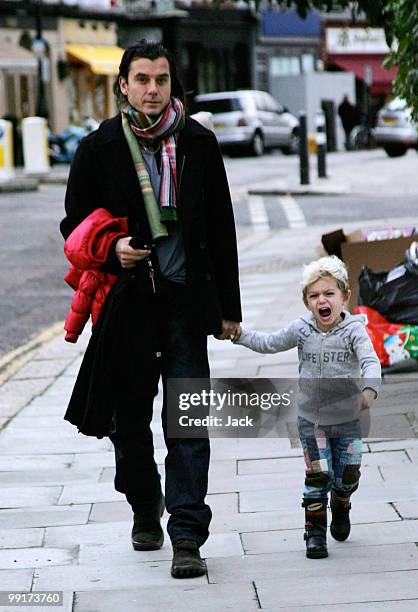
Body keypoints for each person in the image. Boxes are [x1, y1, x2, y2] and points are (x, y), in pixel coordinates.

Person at [60, 39, 241, 578]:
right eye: (142, 79)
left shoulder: (199, 143)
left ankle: (186, 532)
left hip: (186, 304)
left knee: (187, 420)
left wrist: (228, 307)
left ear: (171, 84)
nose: (152, 89)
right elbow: (74, 225)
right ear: (123, 84)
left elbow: (221, 228)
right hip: (126, 304)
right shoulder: (100, 148)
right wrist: (113, 252)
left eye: (161, 79)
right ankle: (145, 501)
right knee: (126, 420)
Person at [231, 256, 381, 559]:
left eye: (329, 294)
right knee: (317, 475)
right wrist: (238, 333)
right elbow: (269, 342)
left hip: (349, 419)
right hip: (311, 420)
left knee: (347, 475)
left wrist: (368, 391)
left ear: (344, 297)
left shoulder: (354, 331)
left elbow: (370, 361)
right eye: (314, 296)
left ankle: (341, 501)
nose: (321, 301)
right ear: (306, 301)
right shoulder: (302, 329)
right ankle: (315, 533)